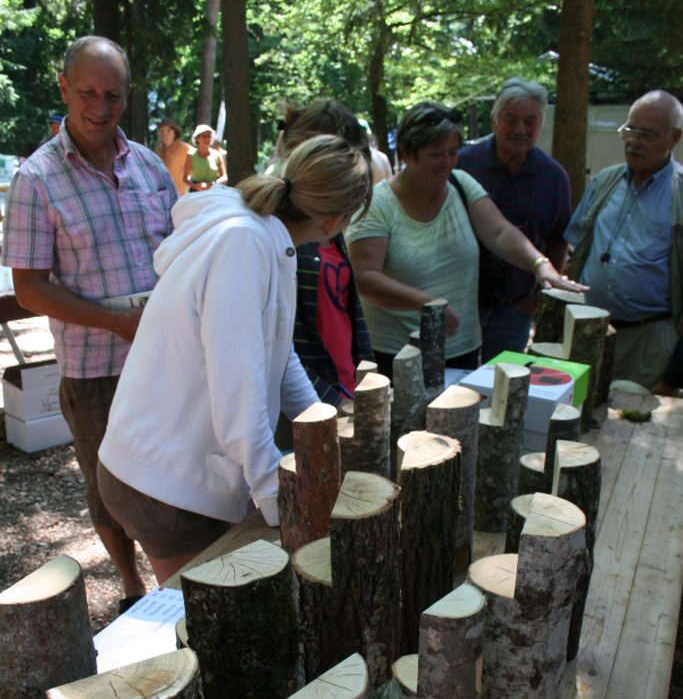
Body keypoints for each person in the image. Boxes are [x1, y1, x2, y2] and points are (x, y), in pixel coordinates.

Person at [97, 134, 372, 583]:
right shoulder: (243, 243)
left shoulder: (263, 234)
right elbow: (238, 393)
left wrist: (323, 426)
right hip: (163, 481)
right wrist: (276, 500)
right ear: (335, 222)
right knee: (197, 629)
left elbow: (279, 357)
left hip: (167, 472)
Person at [1, 35, 177, 613]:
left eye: (113, 96)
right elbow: (28, 288)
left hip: (164, 360)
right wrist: (115, 322)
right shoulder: (37, 179)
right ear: (63, 88)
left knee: (173, 472)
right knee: (109, 491)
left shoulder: (150, 166)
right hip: (95, 367)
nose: (100, 109)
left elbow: (178, 254)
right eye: (87, 93)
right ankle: (131, 586)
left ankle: (175, 581)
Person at [346, 100, 586, 379]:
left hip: (461, 349)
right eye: (436, 154)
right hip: (396, 355)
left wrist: (540, 264)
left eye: (452, 152)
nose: (447, 163)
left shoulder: (461, 184)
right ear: (406, 153)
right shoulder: (377, 205)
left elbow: (500, 232)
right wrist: (428, 303)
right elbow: (364, 278)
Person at [565, 90, 683, 389]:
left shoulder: (679, 193)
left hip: (648, 342)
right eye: (630, 130)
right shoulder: (605, 181)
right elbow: (574, 246)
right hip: (590, 331)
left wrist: (674, 372)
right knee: (578, 417)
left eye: (647, 134)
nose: (633, 141)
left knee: (634, 422)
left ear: (675, 138)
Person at [457, 77, 572, 361]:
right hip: (460, 302)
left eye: (530, 121)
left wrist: (534, 301)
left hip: (515, 307)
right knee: (455, 383)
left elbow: (559, 242)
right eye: (511, 120)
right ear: (495, 121)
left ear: (540, 125)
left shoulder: (553, 177)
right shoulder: (463, 165)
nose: (520, 129)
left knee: (504, 384)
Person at [273, 100, 374, 404]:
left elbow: (349, 310)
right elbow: (282, 351)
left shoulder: (327, 225)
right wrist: (330, 401)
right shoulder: (286, 237)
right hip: (309, 407)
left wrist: (368, 376)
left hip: (344, 392)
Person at [154, 116, 191, 195]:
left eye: (162, 130)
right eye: (159, 131)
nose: (160, 134)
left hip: (180, 197)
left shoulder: (186, 149)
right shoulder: (157, 150)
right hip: (162, 197)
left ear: (172, 132)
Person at [184, 124, 227, 191]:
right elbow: (185, 177)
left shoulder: (217, 155)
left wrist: (213, 184)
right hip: (196, 190)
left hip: (214, 189)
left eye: (208, 136)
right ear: (197, 138)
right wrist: (195, 186)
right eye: (204, 136)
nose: (207, 139)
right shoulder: (191, 155)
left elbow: (224, 177)